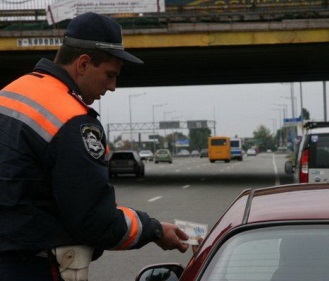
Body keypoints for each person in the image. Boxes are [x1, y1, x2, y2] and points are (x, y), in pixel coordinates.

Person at [0, 12, 189, 281]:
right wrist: (154, 230)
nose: (112, 86)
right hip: (30, 268)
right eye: (109, 75)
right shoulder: (72, 120)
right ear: (83, 64)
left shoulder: (11, 93)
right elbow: (95, 222)